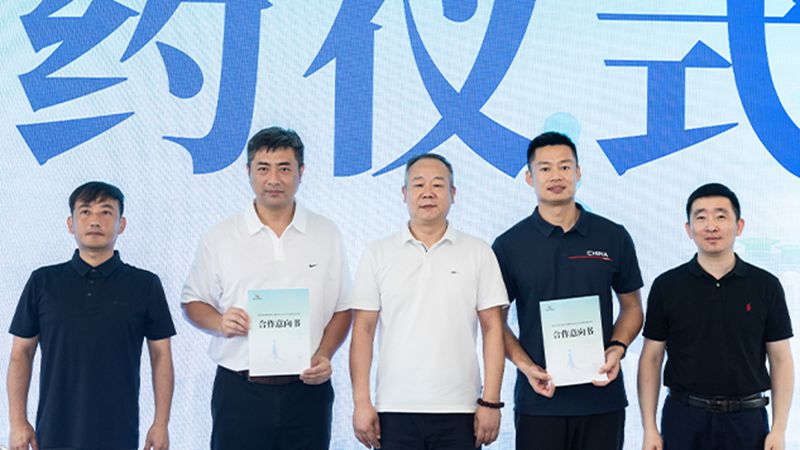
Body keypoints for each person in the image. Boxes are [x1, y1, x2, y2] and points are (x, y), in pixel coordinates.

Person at [181, 126, 352, 450]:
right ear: (248, 172)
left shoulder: (325, 232)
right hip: (240, 390)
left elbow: (344, 308)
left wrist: (324, 354)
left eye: (284, 168)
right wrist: (219, 322)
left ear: (301, 172)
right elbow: (192, 301)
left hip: (307, 391)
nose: (273, 179)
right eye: (263, 168)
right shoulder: (220, 236)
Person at [492, 132, 644, 450]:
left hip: (602, 398)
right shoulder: (509, 245)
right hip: (539, 400)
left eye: (564, 166)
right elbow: (495, 323)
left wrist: (616, 349)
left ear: (578, 173)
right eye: (545, 168)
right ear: (529, 177)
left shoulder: (612, 236)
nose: (556, 176)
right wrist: (527, 367)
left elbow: (632, 307)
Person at [350, 153, 508, 450]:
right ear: (404, 193)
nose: (428, 192)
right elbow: (363, 331)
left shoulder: (478, 252)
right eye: (418, 184)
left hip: (461, 408)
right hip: (395, 407)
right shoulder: (378, 253)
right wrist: (361, 402)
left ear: (453, 194)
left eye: (438, 184)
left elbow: (493, 329)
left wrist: (491, 401)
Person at [7, 181, 176, 450]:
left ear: (121, 224)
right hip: (54, 431)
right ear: (70, 224)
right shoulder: (43, 282)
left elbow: (161, 355)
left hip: (118, 431)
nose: (95, 220)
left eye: (106, 212)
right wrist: (18, 422)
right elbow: (21, 353)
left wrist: (161, 423)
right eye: (85, 211)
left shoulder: (145, 284)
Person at [638, 183, 794, 450]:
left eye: (721, 216)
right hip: (684, 418)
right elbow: (651, 359)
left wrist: (779, 429)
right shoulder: (667, 286)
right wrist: (649, 428)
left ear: (739, 226)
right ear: (688, 229)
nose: (711, 226)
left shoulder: (765, 285)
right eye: (701, 217)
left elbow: (780, 359)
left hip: (747, 420)